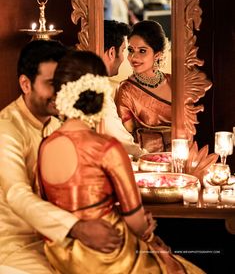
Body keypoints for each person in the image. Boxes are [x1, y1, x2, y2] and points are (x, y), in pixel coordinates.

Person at [37, 49, 205, 274]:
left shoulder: (45, 145)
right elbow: (135, 222)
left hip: (62, 255)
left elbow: (45, 207)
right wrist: (147, 231)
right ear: (99, 96)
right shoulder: (106, 148)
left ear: (59, 93)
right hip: (108, 256)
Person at [0, 40, 122, 274]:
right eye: (52, 84)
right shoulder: (6, 129)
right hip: (13, 245)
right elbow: (17, 194)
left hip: (56, 241)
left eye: (63, 84)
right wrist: (78, 228)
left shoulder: (57, 127)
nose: (61, 93)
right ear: (26, 84)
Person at [115, 20, 172, 153]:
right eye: (130, 50)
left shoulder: (174, 82)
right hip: (146, 160)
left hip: (182, 157)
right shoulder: (126, 90)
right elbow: (127, 138)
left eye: (142, 51)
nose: (133, 57)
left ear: (157, 55)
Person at [103, 19, 145, 158]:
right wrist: (149, 158)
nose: (126, 58)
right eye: (124, 50)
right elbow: (118, 139)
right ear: (111, 52)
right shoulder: (97, 87)